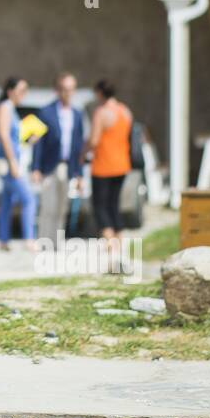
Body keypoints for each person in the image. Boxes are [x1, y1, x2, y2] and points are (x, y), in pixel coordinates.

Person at [30, 72, 85, 246]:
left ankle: (56, 243)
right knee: (48, 206)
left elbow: (79, 146)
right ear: (57, 90)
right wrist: (35, 168)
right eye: (63, 89)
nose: (67, 93)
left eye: (70, 89)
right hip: (49, 166)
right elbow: (38, 143)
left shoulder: (76, 115)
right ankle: (44, 242)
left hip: (67, 167)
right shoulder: (45, 112)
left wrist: (79, 173)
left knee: (62, 207)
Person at [87, 79, 132, 270]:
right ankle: (120, 244)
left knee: (100, 206)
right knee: (114, 204)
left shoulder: (101, 113)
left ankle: (111, 246)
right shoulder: (125, 111)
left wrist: (82, 152)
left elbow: (94, 140)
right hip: (122, 164)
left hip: (103, 165)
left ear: (99, 93)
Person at [0, 77, 38, 252]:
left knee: (7, 201)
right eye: (21, 91)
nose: (23, 95)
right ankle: (29, 239)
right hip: (9, 162)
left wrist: (28, 141)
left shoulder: (11, 109)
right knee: (29, 199)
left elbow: (14, 138)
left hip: (16, 159)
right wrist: (12, 162)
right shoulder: (4, 108)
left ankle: (3, 240)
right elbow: (4, 136)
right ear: (10, 91)